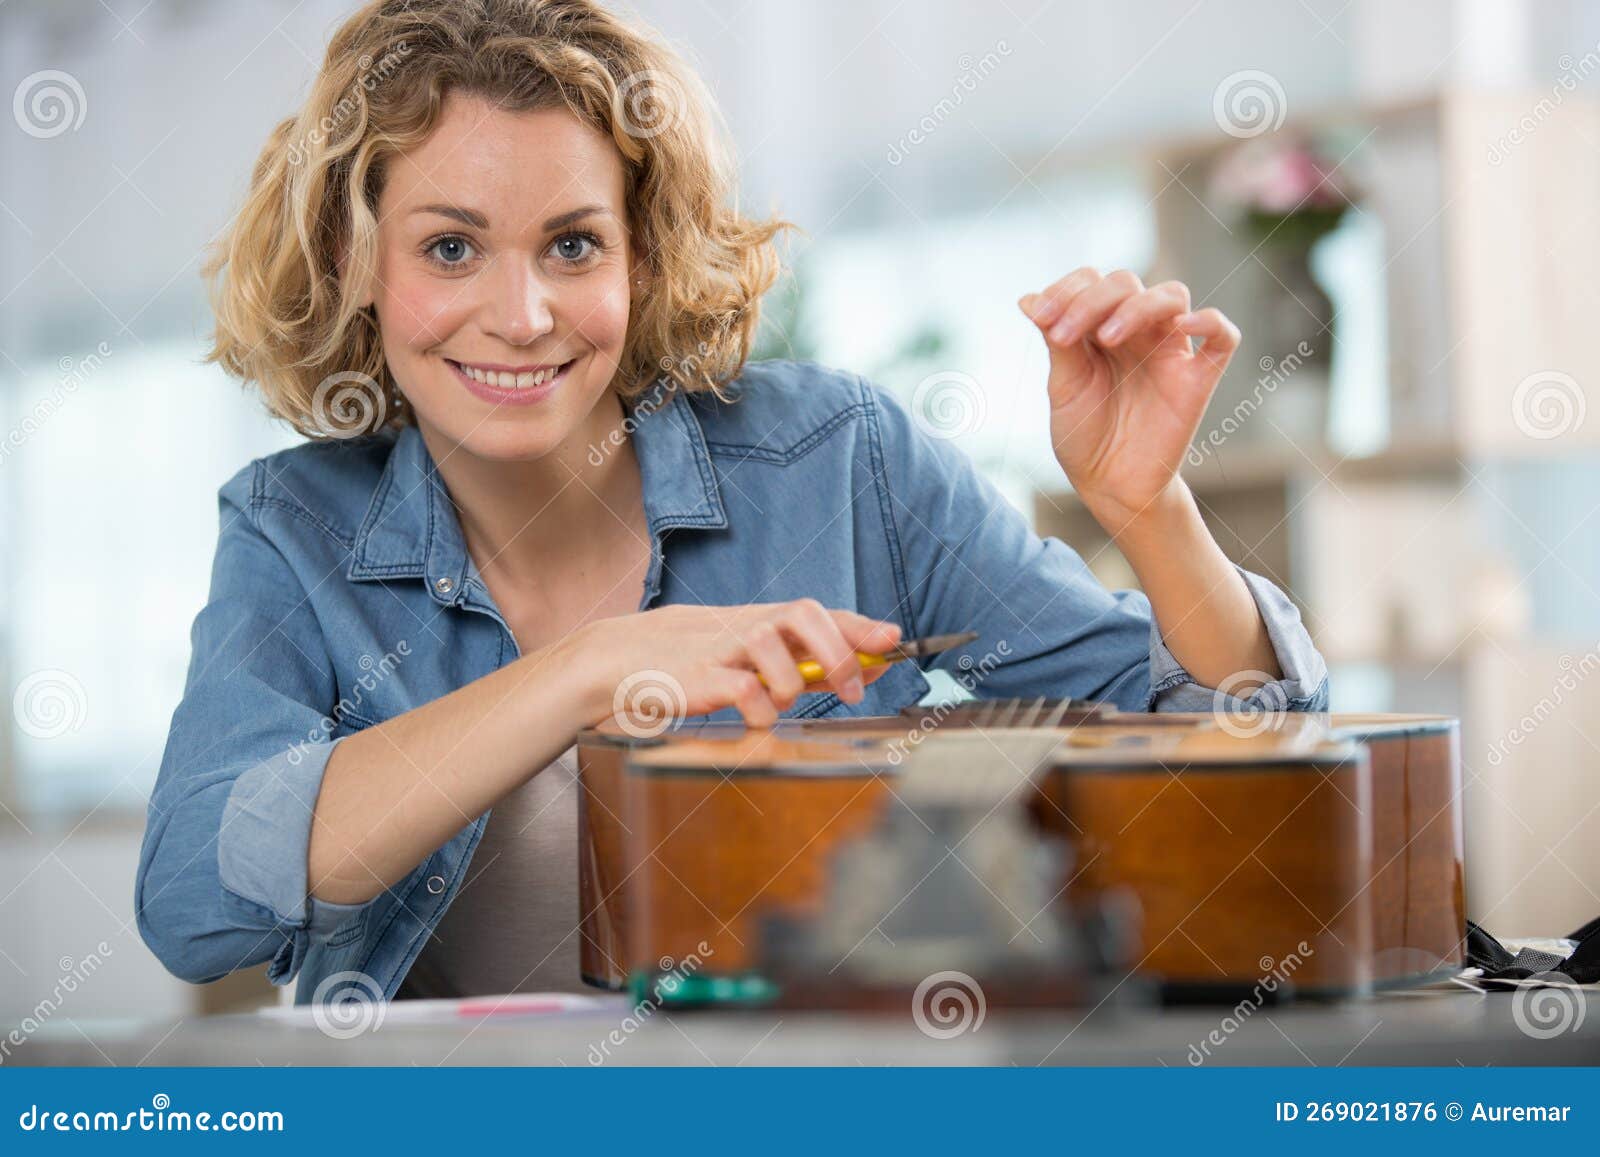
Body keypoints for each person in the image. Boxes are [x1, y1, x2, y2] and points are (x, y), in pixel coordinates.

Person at [136, 0, 1328, 1005]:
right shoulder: (296, 530)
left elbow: (1236, 748)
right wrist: (588, 669)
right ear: (359, 265)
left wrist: (1148, 508)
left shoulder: (837, 458)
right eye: (450, 249)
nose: (522, 313)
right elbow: (195, 895)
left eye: (571, 245)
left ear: (639, 257)